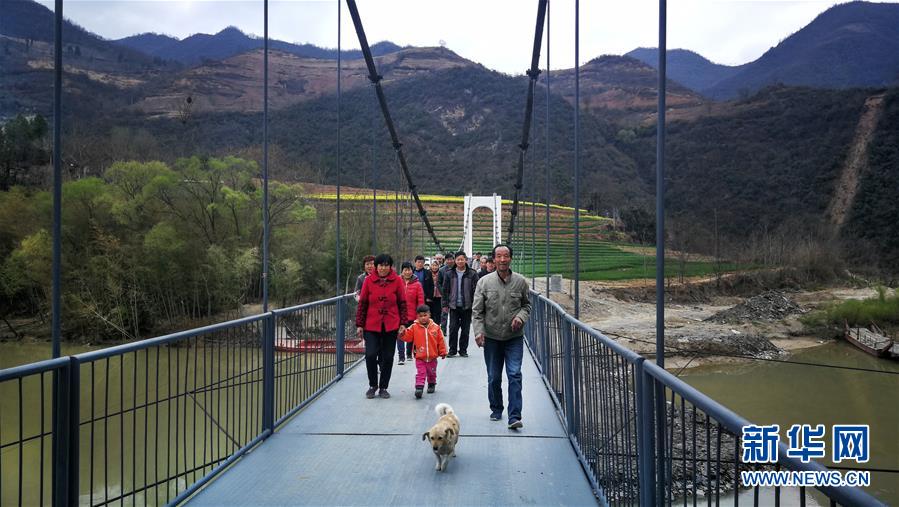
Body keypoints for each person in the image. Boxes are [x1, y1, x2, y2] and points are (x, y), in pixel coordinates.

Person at [472, 244, 531, 430]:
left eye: (506, 256)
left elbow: (527, 306)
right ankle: (496, 408)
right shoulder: (484, 282)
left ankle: (514, 416)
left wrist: (520, 317)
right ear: (494, 259)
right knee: (493, 377)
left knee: (514, 374)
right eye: (499, 256)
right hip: (492, 337)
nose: (502, 259)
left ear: (510, 258)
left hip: (514, 337)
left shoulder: (521, 282)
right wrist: (478, 332)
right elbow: (477, 311)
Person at [356, 254, 407, 399]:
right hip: (371, 324)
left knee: (388, 357)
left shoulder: (397, 280)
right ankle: (373, 385)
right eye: (380, 265)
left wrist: (403, 323)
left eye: (386, 265)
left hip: (391, 324)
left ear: (390, 267)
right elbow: (363, 303)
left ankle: (383, 387)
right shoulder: (368, 281)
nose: (383, 268)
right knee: (370, 355)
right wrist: (360, 324)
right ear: (376, 267)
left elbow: (402, 303)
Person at [401, 305, 447, 398]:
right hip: (420, 356)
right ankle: (419, 387)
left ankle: (431, 384)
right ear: (417, 316)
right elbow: (408, 337)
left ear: (429, 314)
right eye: (420, 316)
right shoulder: (414, 327)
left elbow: (441, 340)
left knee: (431, 373)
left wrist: (443, 351)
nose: (423, 318)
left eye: (425, 315)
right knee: (421, 372)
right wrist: (402, 333)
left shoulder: (436, 327)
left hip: (432, 357)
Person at [441, 251, 479, 357]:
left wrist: (475, 304)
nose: (460, 261)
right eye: (458, 259)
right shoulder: (449, 273)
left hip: (467, 306)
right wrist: (445, 305)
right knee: (453, 328)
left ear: (466, 260)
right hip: (454, 306)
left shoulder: (472, 273)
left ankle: (463, 350)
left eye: (462, 259)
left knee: (465, 329)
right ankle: (452, 350)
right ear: (455, 261)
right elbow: (445, 290)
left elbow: (477, 290)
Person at [398, 261, 425, 365]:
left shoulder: (417, 284)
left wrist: (420, 314)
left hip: (412, 314)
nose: (407, 272)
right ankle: (401, 356)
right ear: (402, 271)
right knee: (400, 335)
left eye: (409, 270)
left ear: (412, 271)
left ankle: (409, 353)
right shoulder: (397, 282)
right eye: (405, 270)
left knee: (410, 335)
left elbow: (420, 300)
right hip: (399, 314)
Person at [422, 259, 443, 326]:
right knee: (430, 313)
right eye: (433, 265)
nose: (434, 267)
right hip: (429, 297)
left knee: (438, 313)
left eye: (436, 265)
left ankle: (437, 326)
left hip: (438, 296)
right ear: (431, 266)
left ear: (438, 266)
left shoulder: (441, 273)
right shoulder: (427, 273)